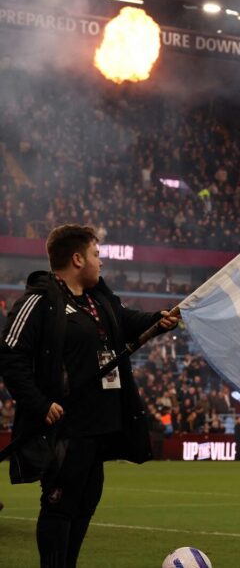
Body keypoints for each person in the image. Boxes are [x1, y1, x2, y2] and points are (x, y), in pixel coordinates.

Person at [0, 224, 180, 567]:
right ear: (78, 259)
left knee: (85, 502)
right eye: (97, 255)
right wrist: (38, 404)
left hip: (101, 426)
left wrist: (158, 319)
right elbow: (9, 355)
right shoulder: (39, 300)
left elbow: (126, 320)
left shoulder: (99, 299)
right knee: (59, 503)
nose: (102, 263)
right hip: (65, 429)